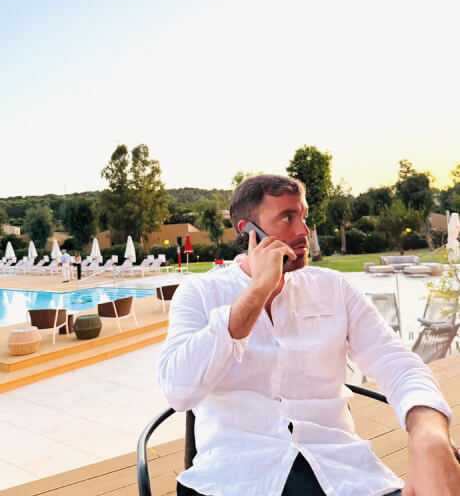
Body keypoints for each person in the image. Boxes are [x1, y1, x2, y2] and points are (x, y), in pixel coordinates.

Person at [158, 175, 460, 496]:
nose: (303, 230)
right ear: (248, 231)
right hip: (235, 477)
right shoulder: (200, 292)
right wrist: (257, 291)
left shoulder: (333, 287)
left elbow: (397, 363)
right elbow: (178, 391)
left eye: (303, 216)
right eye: (287, 218)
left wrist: (430, 438)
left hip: (344, 474)